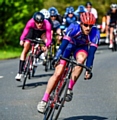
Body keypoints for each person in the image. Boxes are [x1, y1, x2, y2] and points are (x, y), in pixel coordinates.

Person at [37, 12, 100, 113]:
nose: (88, 28)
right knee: (58, 72)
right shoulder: (74, 27)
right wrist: (57, 57)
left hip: (80, 48)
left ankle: (69, 88)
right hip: (68, 46)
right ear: (81, 24)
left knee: (81, 60)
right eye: (86, 25)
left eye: (91, 26)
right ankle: (44, 100)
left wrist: (89, 69)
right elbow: (63, 45)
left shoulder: (95, 33)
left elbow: (92, 53)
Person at [15, 12, 52, 81]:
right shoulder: (30, 22)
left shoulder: (47, 24)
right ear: (34, 21)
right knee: (26, 47)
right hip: (32, 32)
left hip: (42, 33)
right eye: (37, 23)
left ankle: (38, 56)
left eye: (41, 22)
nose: (39, 24)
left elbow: (49, 38)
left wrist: (46, 45)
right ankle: (20, 72)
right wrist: (21, 40)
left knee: (46, 42)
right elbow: (25, 32)